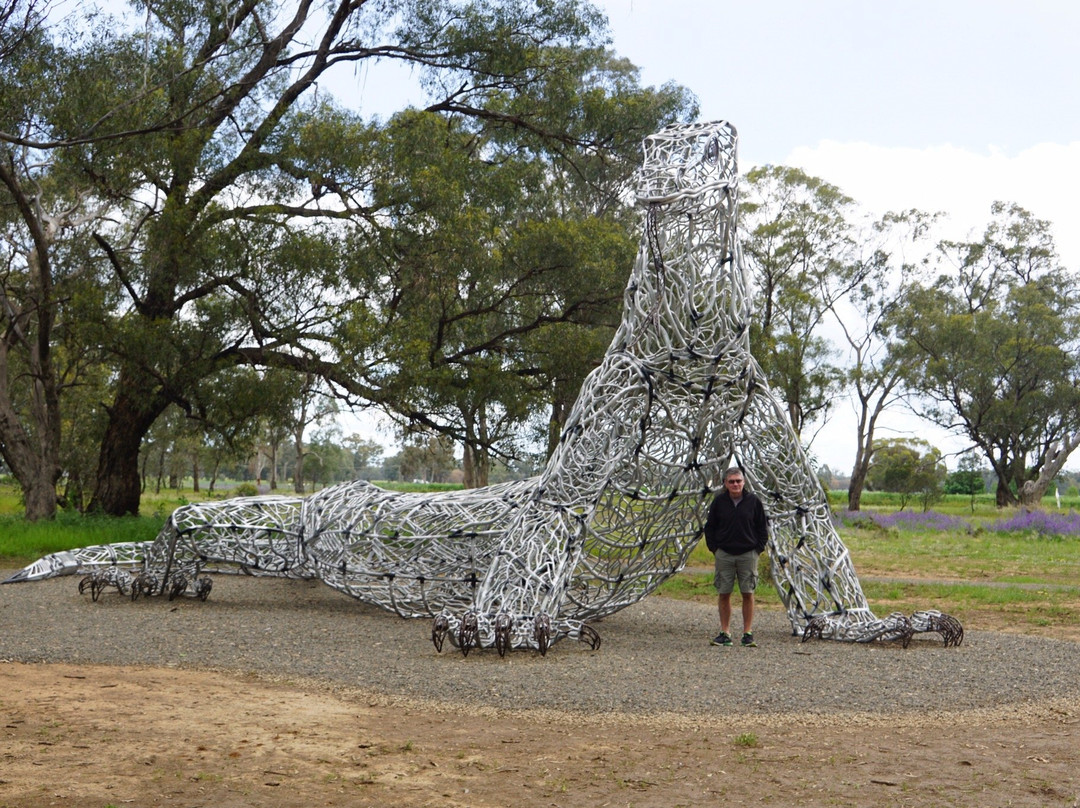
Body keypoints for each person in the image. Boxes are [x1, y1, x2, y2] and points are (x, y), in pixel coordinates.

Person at [703, 467, 769, 647]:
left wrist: (757, 549)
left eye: (738, 481)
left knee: (748, 592)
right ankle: (725, 633)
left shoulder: (753, 502)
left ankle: (747, 633)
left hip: (748, 554)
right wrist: (715, 549)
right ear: (725, 483)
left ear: (744, 482)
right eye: (731, 481)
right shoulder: (719, 502)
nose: (735, 484)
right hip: (724, 553)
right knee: (724, 592)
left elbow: (763, 528)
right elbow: (710, 527)